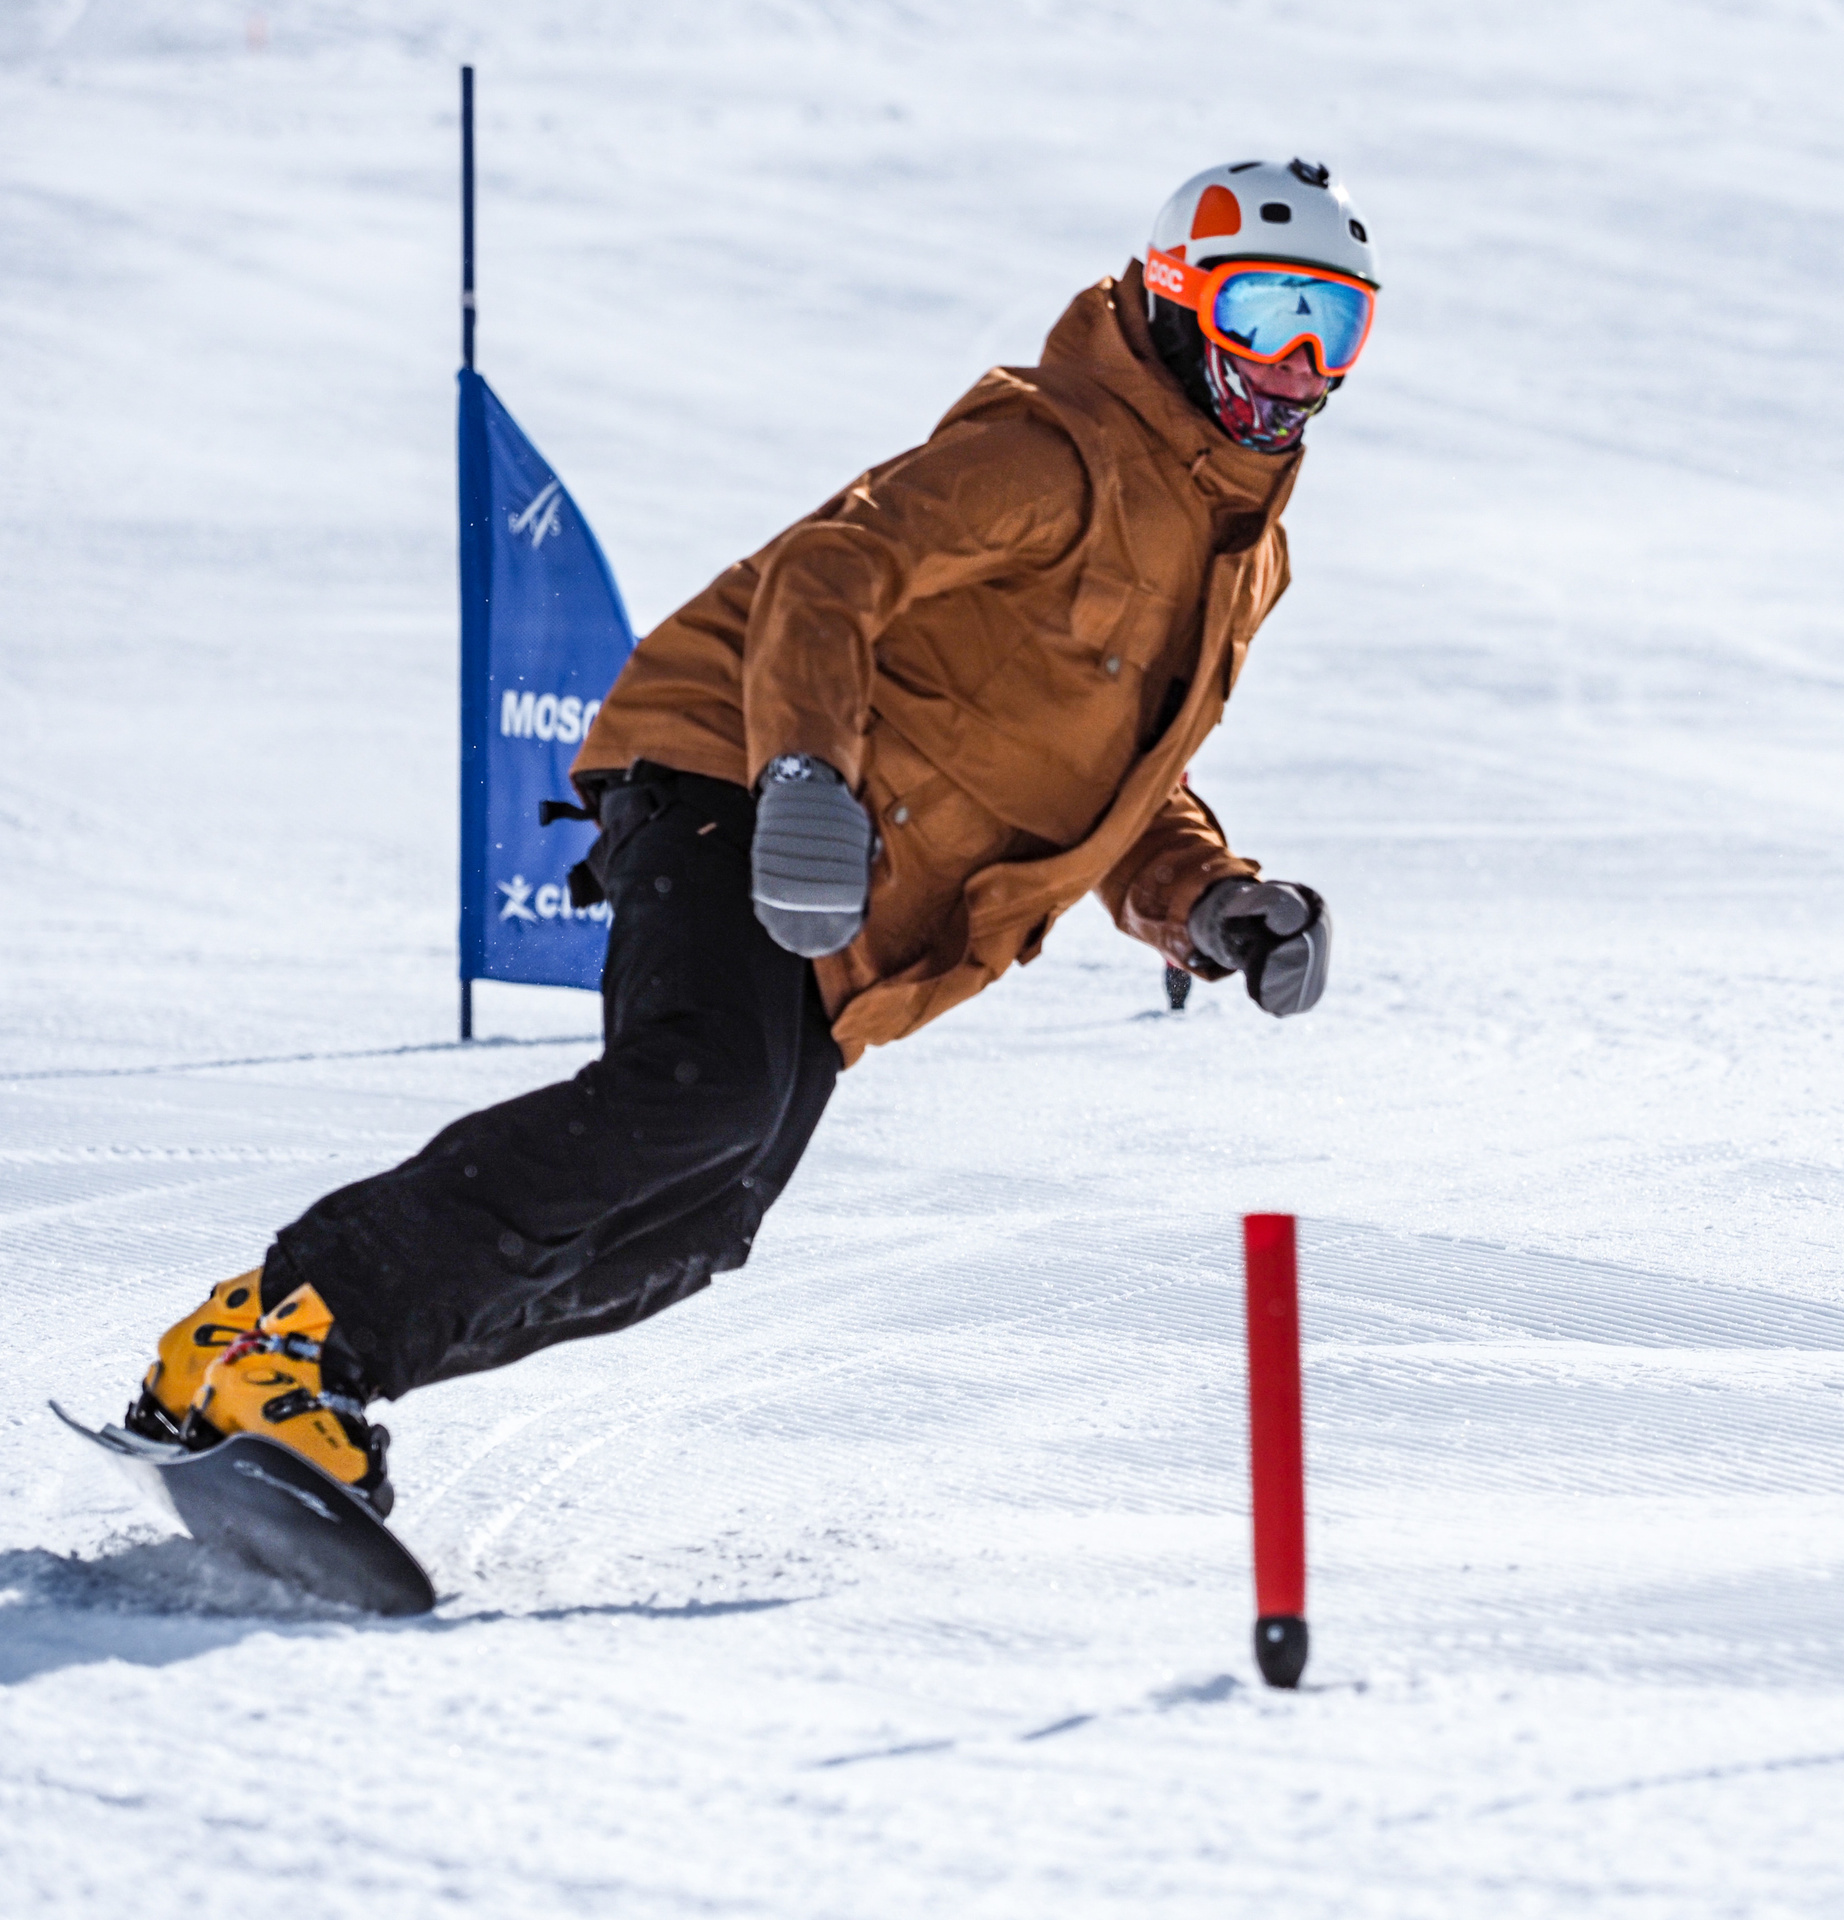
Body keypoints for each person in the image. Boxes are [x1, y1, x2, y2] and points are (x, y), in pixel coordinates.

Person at [122, 159, 1382, 1513]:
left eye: (1336, 327)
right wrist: (803, 776)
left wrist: (1205, 898)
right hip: (731, 770)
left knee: (699, 1222)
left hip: (852, 891)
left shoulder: (1243, 556)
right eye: (1265, 312)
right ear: (1179, 301)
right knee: (700, 1093)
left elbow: (1117, 773)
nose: (1297, 361)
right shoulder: (1054, 452)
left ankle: (266, 1353)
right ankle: (300, 1340)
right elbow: (830, 571)